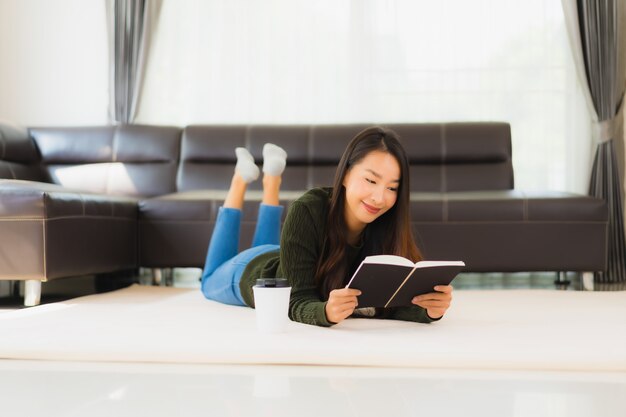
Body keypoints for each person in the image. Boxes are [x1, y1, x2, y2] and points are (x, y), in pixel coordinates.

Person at [201, 126, 453, 327]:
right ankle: (240, 181)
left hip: (285, 258)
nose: (379, 197)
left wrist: (428, 310)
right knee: (208, 280)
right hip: (252, 271)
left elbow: (387, 305)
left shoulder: (388, 224)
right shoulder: (309, 208)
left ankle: (271, 181)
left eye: (392, 188)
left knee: (267, 246)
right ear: (345, 174)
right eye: (371, 180)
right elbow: (296, 300)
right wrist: (325, 312)